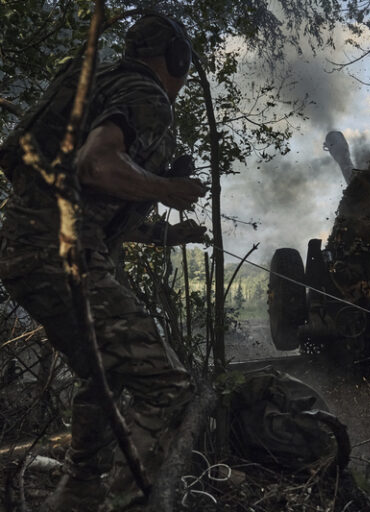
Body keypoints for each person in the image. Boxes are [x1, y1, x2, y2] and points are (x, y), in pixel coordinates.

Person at [0, 14, 206, 511]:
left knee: (104, 372)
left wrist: (167, 233)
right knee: (170, 389)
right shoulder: (146, 93)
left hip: (26, 252)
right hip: (63, 258)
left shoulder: (98, 84)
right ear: (175, 58)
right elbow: (96, 166)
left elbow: (90, 201)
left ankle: (81, 488)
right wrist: (170, 190)